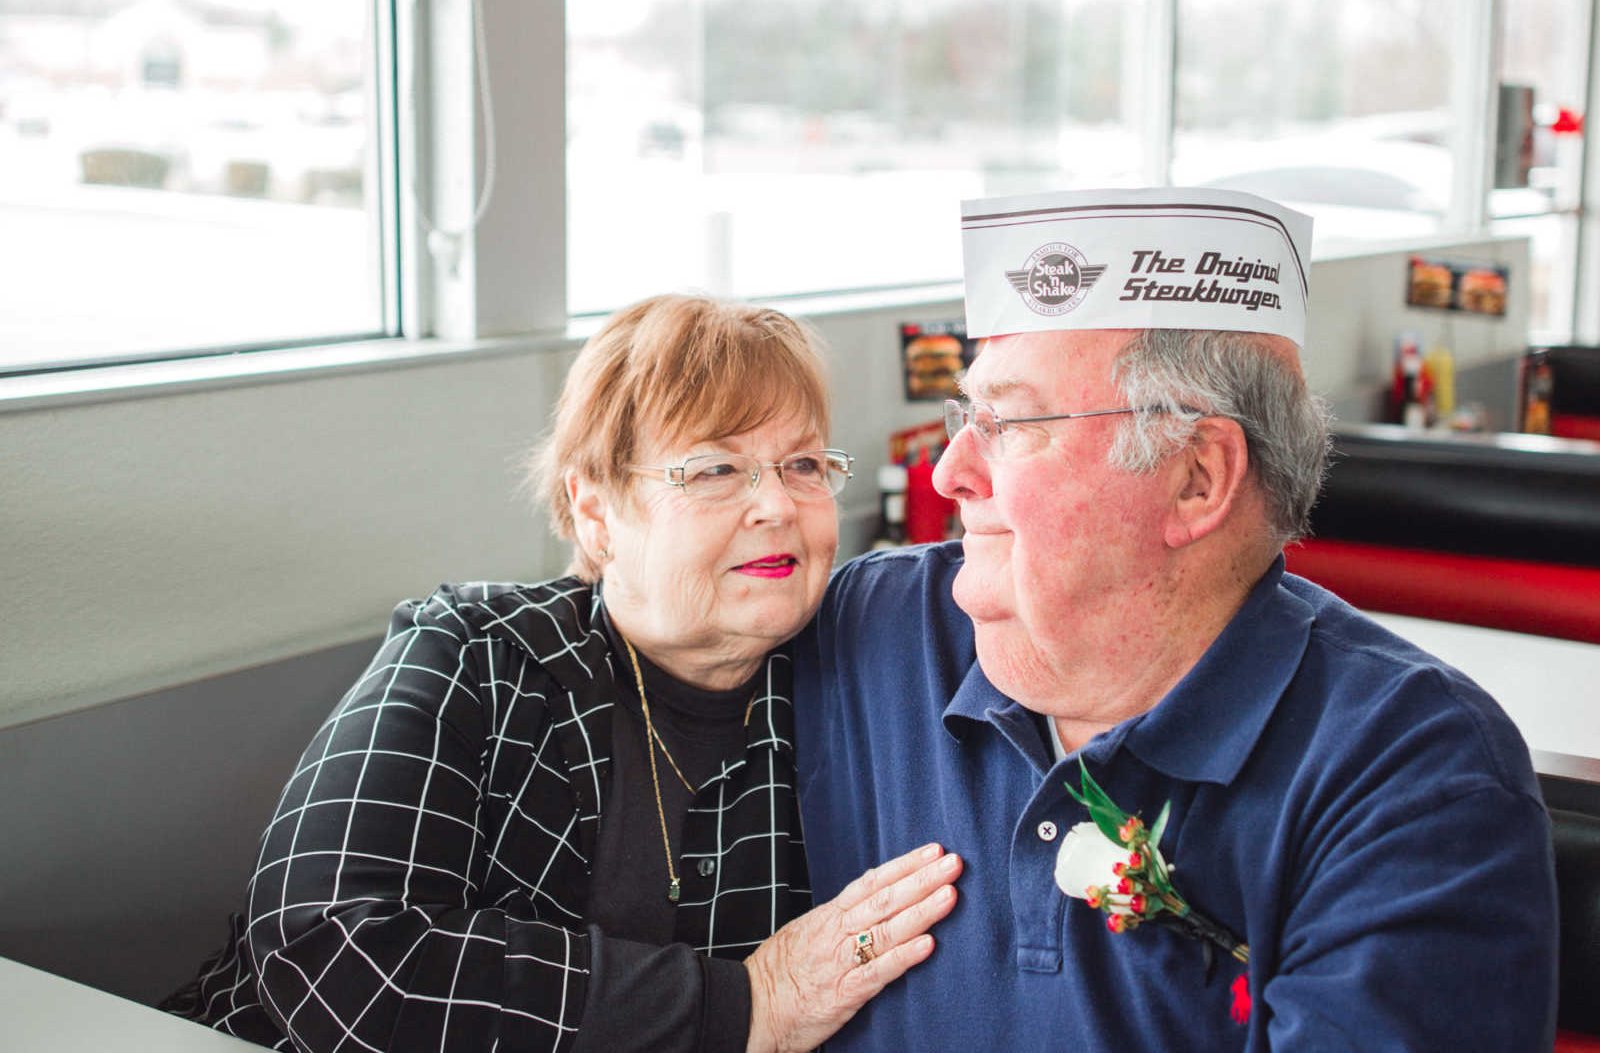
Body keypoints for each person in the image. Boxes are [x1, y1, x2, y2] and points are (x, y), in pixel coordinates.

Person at [795, 188, 1558, 1050]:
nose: (950, 474)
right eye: (968, 418)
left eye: (1010, 424)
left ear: (1197, 477)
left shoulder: (1416, 784)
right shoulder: (873, 629)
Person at [165, 294, 962, 1052]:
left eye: (804, 465)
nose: (779, 506)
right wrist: (749, 1006)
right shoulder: (476, 655)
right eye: (715, 470)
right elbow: (333, 951)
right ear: (595, 512)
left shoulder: (854, 685)